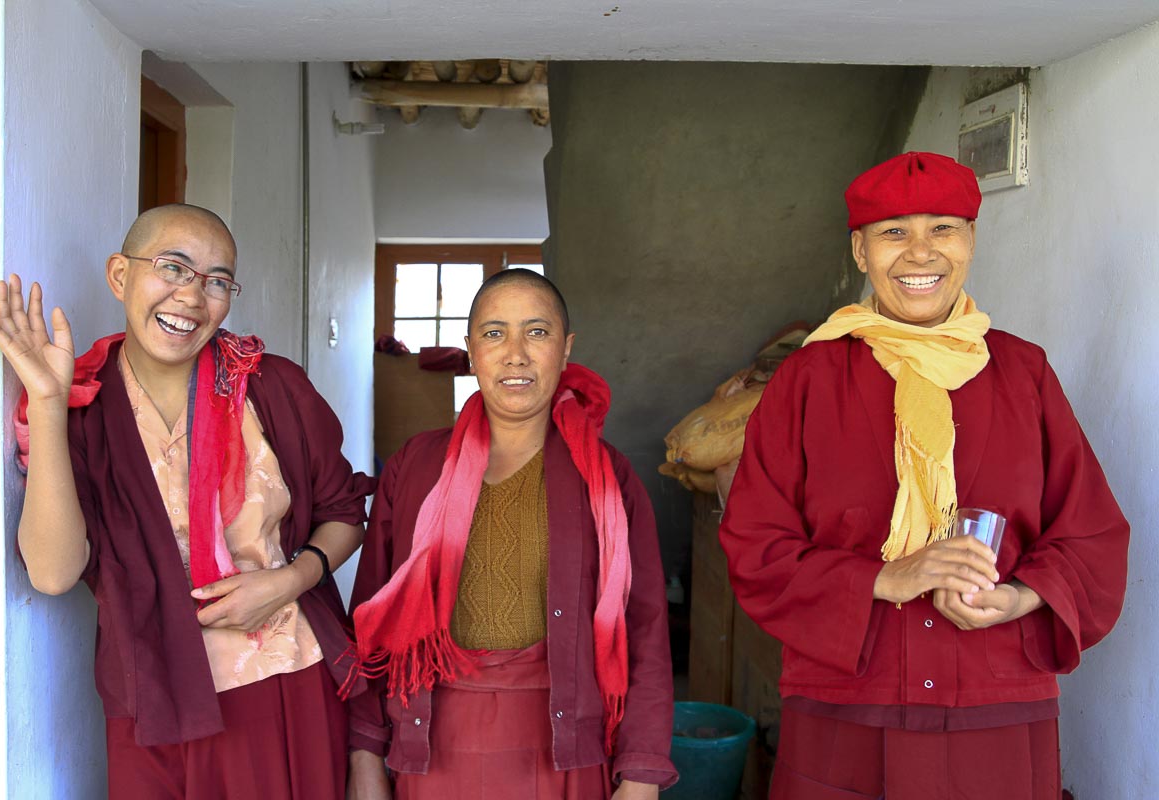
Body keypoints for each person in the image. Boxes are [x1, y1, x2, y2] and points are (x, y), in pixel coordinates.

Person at [718, 152, 1129, 799]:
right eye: (893, 232)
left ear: (970, 241)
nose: (920, 253)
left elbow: (1091, 533)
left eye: (943, 228)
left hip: (994, 703)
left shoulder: (1023, 375)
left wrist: (1022, 597)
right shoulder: (809, 381)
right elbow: (754, 546)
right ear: (859, 250)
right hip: (849, 704)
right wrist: (884, 577)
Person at [0, 204, 374, 799]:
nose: (193, 296)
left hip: (283, 679)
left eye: (217, 281)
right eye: (173, 267)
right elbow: (54, 571)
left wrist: (288, 580)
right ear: (120, 275)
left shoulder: (272, 388)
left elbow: (345, 513)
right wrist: (47, 400)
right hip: (152, 695)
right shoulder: (86, 412)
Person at [345, 269, 677, 799]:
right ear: (470, 350)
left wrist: (640, 773)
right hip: (429, 744)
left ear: (566, 350)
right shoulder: (415, 467)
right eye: (494, 333)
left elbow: (645, 632)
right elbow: (369, 625)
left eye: (538, 332)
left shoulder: (606, 477)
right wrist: (364, 755)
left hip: (564, 745)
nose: (516, 354)